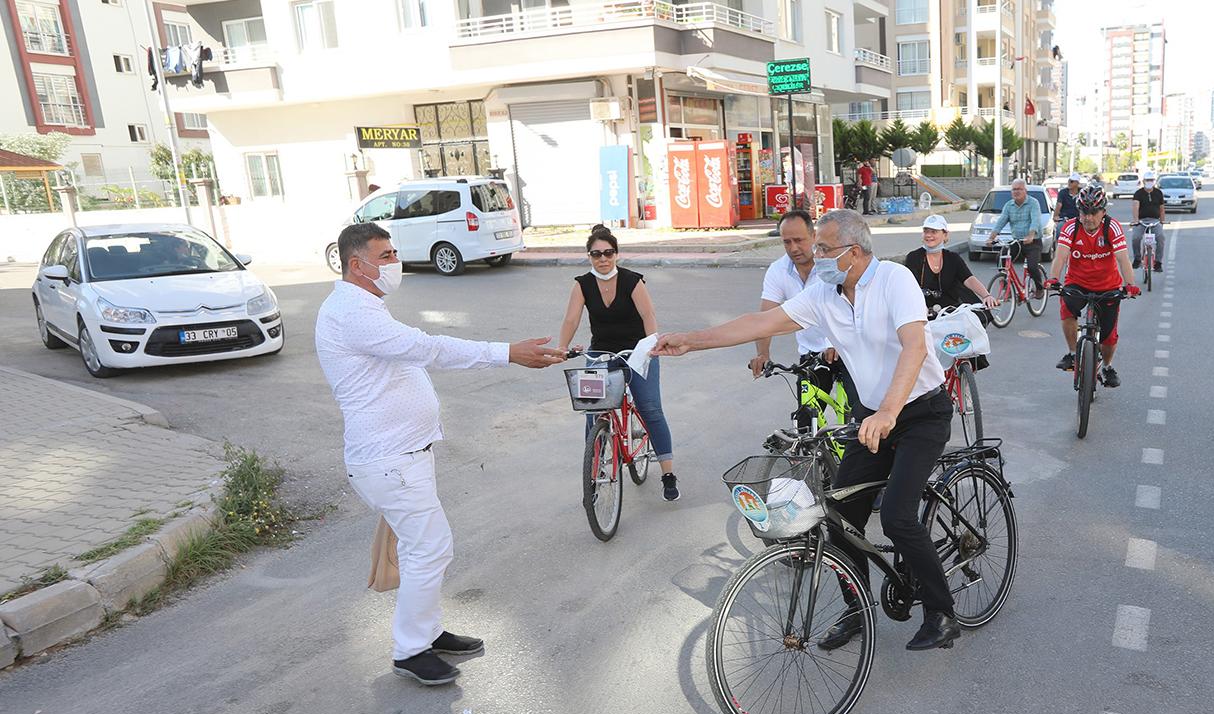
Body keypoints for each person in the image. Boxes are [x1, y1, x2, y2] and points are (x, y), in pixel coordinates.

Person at [655, 209, 962, 652]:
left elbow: (914, 348)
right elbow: (760, 322)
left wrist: (889, 412)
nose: (814, 255)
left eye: (823, 247)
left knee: (896, 515)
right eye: (815, 246)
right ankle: (857, 610)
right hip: (873, 415)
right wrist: (691, 339)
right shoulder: (824, 292)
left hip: (918, 412)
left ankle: (942, 612)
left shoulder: (895, 280)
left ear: (854, 253)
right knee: (840, 519)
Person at [315, 223, 567, 686]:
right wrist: (505, 353)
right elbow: (426, 348)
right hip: (389, 460)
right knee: (430, 548)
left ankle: (426, 632)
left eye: (393, 253)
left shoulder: (365, 305)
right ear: (357, 264)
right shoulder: (351, 312)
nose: (394, 262)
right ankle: (410, 650)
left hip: (405, 456)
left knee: (421, 550)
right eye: (385, 255)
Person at [557, 225, 679, 501]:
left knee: (650, 409)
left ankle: (668, 474)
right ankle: (595, 466)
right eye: (596, 254)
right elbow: (571, 320)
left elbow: (648, 316)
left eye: (608, 253)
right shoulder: (582, 284)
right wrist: (562, 348)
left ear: (616, 254)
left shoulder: (632, 281)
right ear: (589, 256)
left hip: (637, 352)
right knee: (593, 411)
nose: (603, 259)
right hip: (601, 353)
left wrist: (651, 346)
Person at [748, 210, 857, 408]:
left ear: (814, 236)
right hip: (812, 355)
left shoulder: (831, 265)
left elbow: (854, 308)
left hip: (846, 349)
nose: (793, 248)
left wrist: (838, 342)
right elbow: (765, 317)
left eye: (799, 240)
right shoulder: (778, 270)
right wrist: (763, 354)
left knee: (860, 418)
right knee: (806, 422)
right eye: (786, 242)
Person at [1046, 184, 1139, 387]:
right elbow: (1061, 257)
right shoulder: (1071, 227)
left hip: (1108, 285)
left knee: (1108, 334)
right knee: (1067, 309)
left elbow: (1123, 260)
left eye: (1093, 212)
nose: (1088, 217)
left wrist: (1130, 284)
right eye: (1083, 212)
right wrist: (1053, 278)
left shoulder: (1111, 227)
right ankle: (1072, 354)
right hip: (1077, 282)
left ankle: (1107, 367)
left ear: (1103, 212)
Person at [904, 214, 998, 313]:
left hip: (950, 311)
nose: (928, 235)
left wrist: (986, 295)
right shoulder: (914, 257)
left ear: (945, 235)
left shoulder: (953, 258)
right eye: (926, 231)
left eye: (934, 232)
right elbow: (908, 286)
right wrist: (919, 307)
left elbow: (968, 278)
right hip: (922, 311)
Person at [987, 179, 1045, 297]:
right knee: (1001, 258)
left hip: (1033, 241)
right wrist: (991, 237)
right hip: (1017, 241)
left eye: (1019, 189)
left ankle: (1039, 288)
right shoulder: (1009, 205)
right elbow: (1001, 222)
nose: (1016, 191)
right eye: (1014, 189)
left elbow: (1035, 220)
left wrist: (1031, 235)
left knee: (1032, 267)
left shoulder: (1033, 203)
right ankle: (1007, 285)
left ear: (1025, 191)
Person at [1129, 172, 1165, 272]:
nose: (1149, 182)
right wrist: (1136, 221)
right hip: (1141, 221)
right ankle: (1137, 259)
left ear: (1154, 181)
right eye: (1147, 180)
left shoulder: (1158, 193)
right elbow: (1135, 206)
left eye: (1151, 180)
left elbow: (1162, 208)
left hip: (1155, 221)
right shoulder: (1138, 193)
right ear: (1143, 181)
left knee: (1161, 237)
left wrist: (1162, 221)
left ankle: (1158, 263)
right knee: (1135, 238)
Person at [1051, 173, 1082, 245]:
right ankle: (1060, 247)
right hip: (1065, 219)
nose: (1069, 183)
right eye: (1069, 181)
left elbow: (1086, 205)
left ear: (1077, 183)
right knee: (1059, 229)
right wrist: (1055, 216)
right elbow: (1059, 204)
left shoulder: (1082, 193)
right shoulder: (1063, 192)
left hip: (1079, 220)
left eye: (1071, 181)